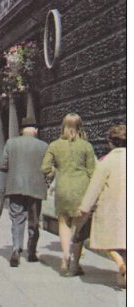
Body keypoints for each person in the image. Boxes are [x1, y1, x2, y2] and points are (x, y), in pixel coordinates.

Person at [41, 113, 97, 277]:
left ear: (63, 126)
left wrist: (55, 171)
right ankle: (75, 264)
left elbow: (45, 168)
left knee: (63, 222)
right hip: (82, 189)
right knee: (79, 228)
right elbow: (93, 172)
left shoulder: (55, 145)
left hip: (63, 188)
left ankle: (65, 254)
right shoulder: (86, 146)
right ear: (80, 127)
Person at [77, 125, 126, 288]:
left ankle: (120, 264)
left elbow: (94, 187)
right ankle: (124, 278)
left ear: (111, 142)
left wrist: (84, 207)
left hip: (110, 209)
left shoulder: (106, 161)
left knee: (107, 242)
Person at [0, 117, 49, 268]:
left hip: (15, 187)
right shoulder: (44, 146)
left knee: (17, 219)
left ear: (21, 130)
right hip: (36, 188)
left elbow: (3, 164)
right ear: (35, 129)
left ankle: (16, 249)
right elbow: (48, 169)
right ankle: (32, 251)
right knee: (34, 221)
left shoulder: (11, 143)